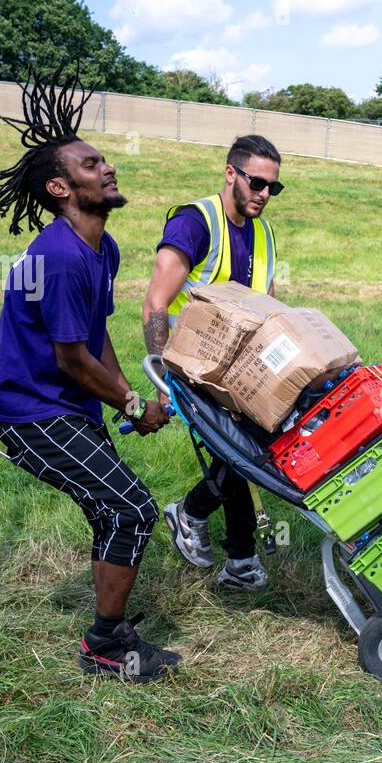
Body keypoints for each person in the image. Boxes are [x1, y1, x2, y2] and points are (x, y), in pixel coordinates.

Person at [0, 65, 179, 682]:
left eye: (105, 160)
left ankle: (110, 632)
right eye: (91, 165)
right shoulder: (58, 257)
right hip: (32, 413)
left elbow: (95, 340)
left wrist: (125, 398)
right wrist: (136, 407)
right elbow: (70, 360)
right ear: (60, 188)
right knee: (132, 508)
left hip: (68, 407)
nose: (108, 167)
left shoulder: (102, 248)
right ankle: (104, 646)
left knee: (111, 509)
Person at [142, 134, 284, 591]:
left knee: (250, 451)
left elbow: (270, 306)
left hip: (242, 370)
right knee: (239, 451)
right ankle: (207, 527)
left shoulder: (262, 233)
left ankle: (223, 543)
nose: (264, 194)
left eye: (273, 188)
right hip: (194, 368)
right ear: (231, 173)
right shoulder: (195, 222)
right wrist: (166, 380)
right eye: (257, 182)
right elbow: (155, 303)